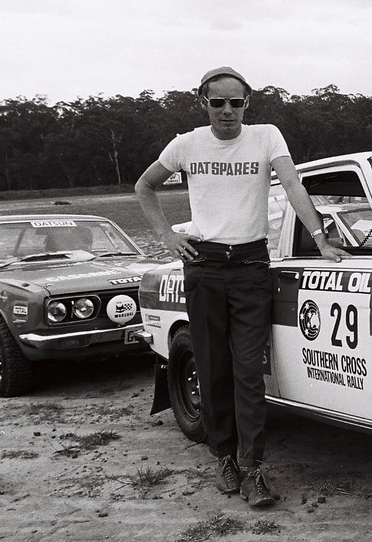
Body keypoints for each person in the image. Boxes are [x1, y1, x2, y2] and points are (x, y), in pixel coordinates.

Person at [135, 66, 349, 508]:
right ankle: (225, 459)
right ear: (204, 103)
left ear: (247, 103)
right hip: (205, 267)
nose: (228, 110)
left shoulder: (267, 136)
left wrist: (321, 238)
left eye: (236, 102)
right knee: (213, 369)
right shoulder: (186, 144)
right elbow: (144, 186)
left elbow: (292, 184)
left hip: (252, 266)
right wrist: (167, 235)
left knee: (248, 372)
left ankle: (252, 469)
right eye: (218, 102)